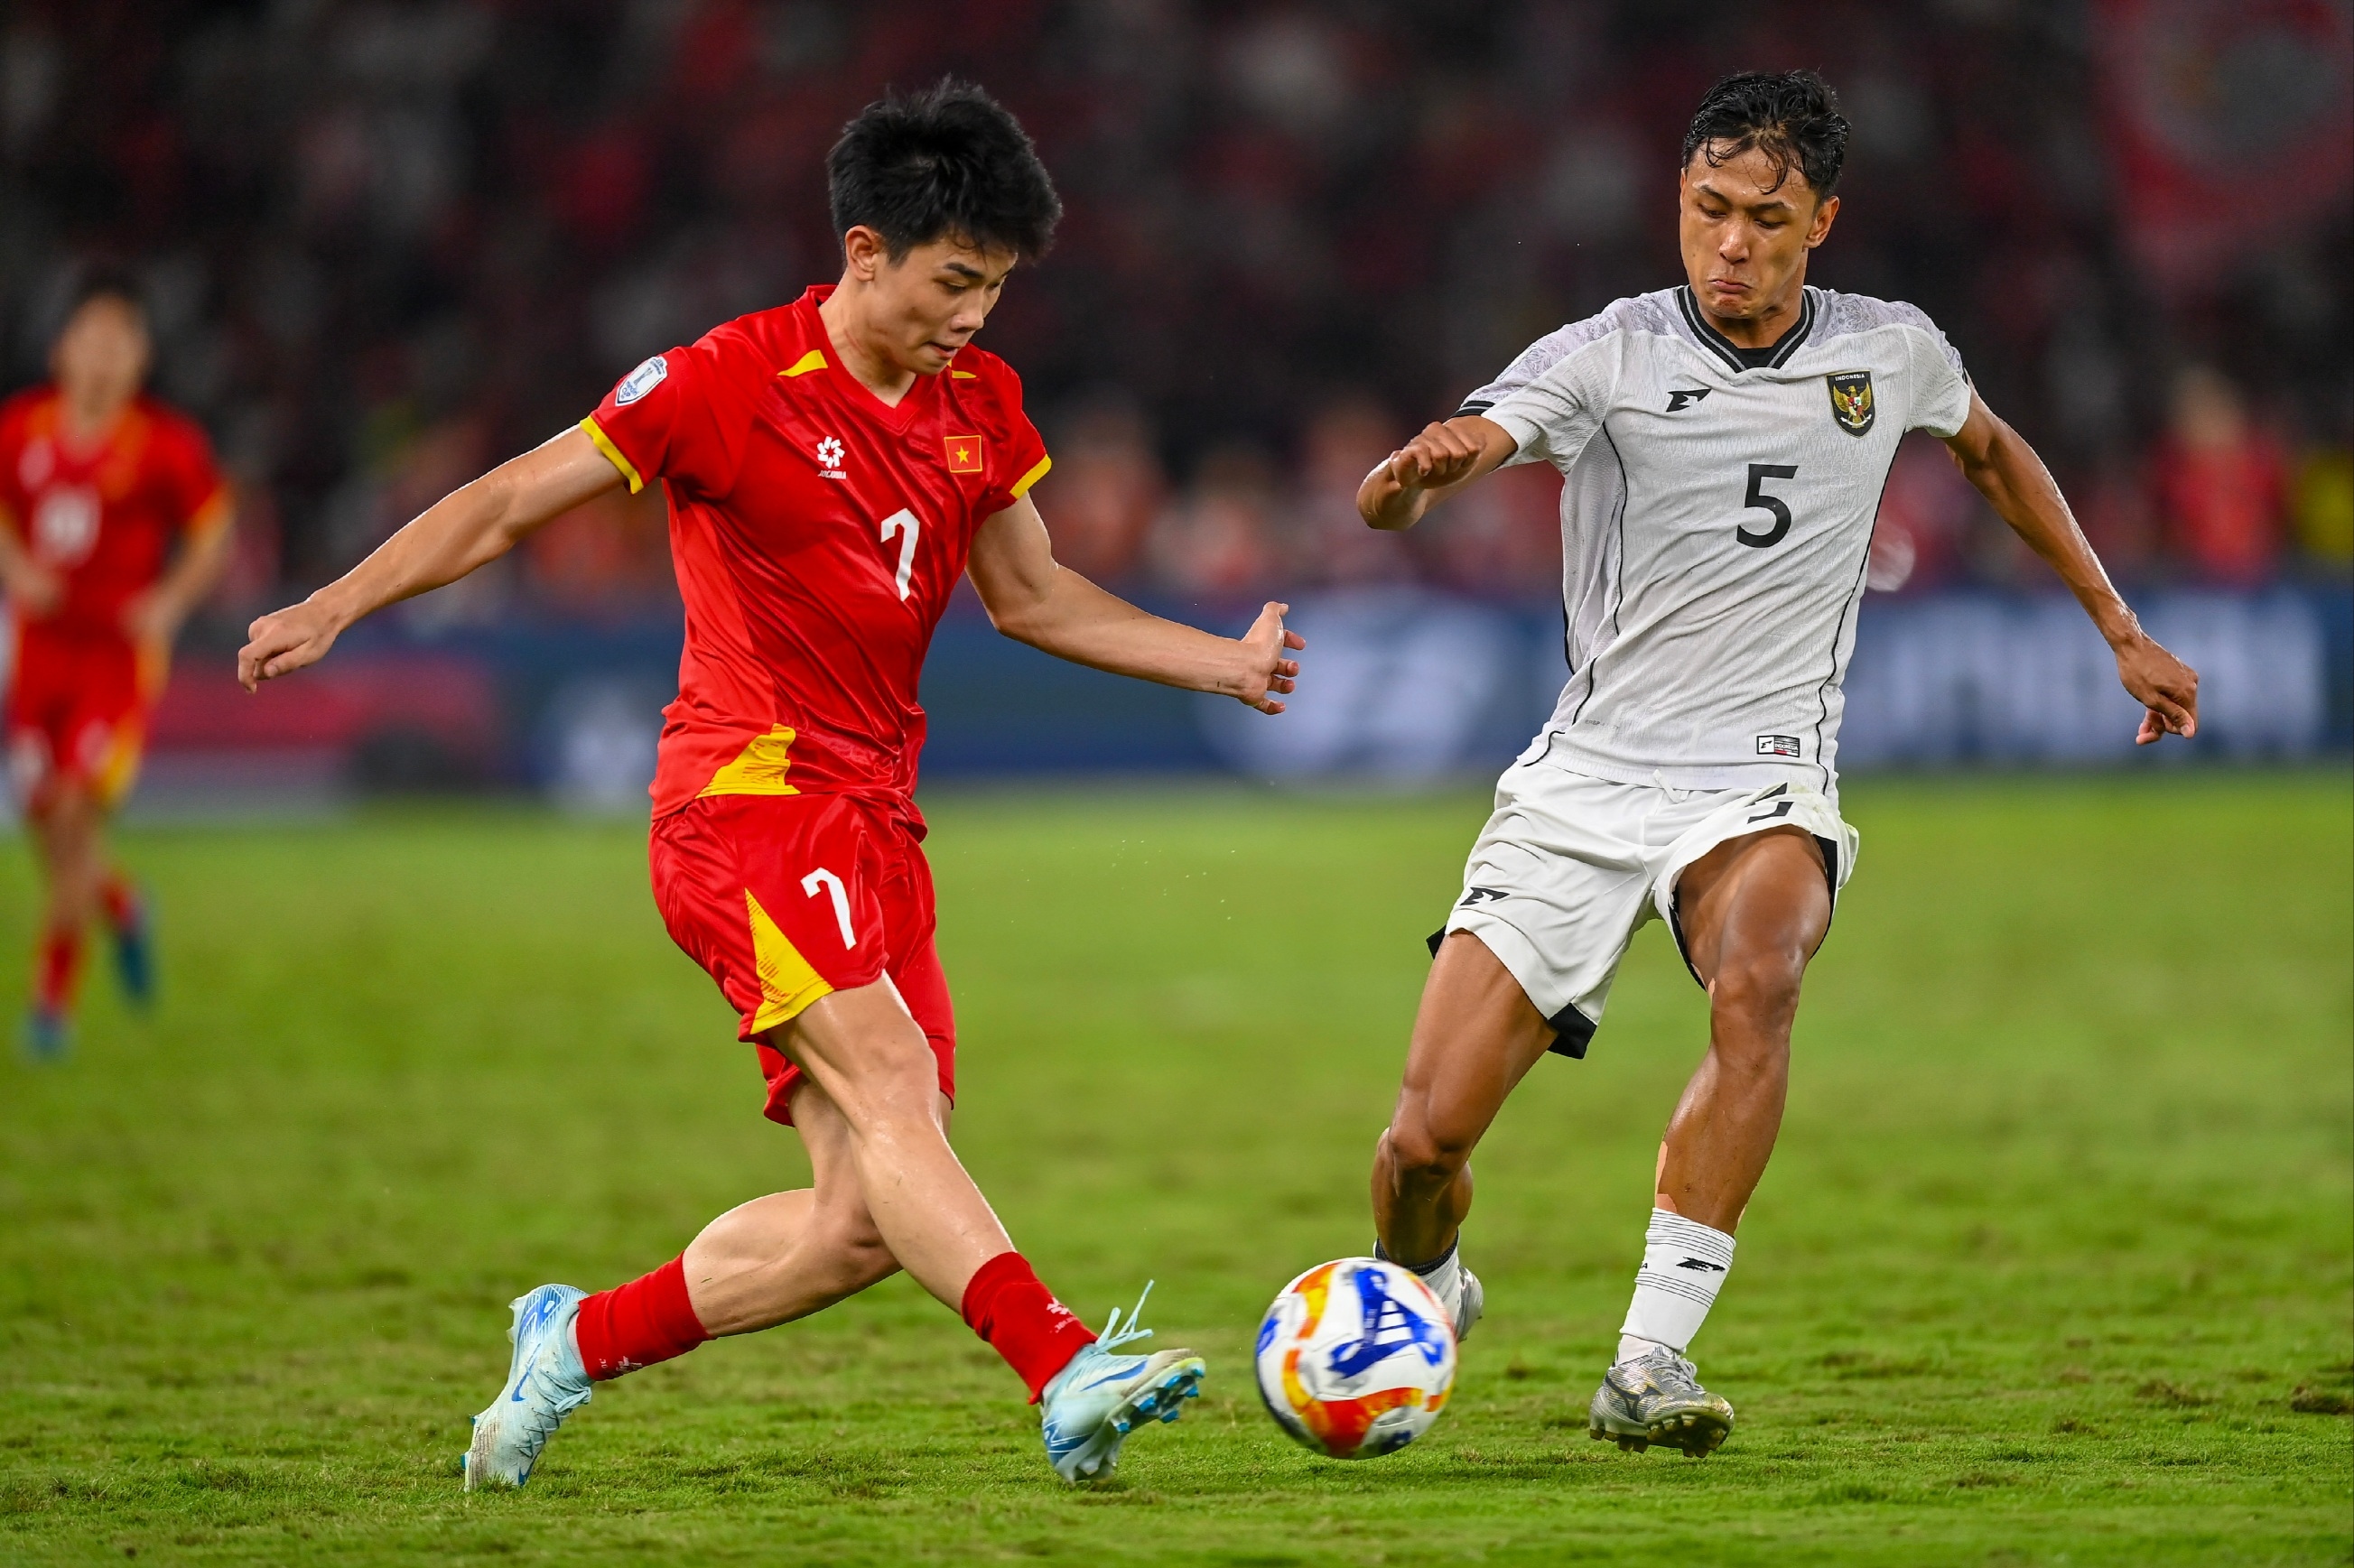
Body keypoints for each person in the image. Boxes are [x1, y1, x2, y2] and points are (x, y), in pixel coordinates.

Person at [237, 81, 1305, 1489]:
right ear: (866, 251)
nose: (972, 315)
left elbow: (1035, 597)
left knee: (861, 1216)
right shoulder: (721, 383)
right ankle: (1063, 1366)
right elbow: (506, 499)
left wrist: (1217, 665)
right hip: (741, 798)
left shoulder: (978, 405)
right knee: (893, 1082)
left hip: (873, 817)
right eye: (952, 280)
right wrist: (336, 603)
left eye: (991, 287)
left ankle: (571, 1337)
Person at [1354, 71, 2200, 1458]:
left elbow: (1990, 454)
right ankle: (1433, 1284)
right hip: (1584, 781)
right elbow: (1448, 464)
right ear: (1674, 206)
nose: (1728, 245)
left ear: (1821, 223)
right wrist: (1412, 478)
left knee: (1761, 972)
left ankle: (1648, 1356)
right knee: (1419, 1148)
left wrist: (2117, 623)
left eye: (1762, 218)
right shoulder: (1605, 352)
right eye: (1703, 212)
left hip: (1759, 777)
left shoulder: (1888, 352)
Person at [0, 271, 235, 1060]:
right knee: (48, 831)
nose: (102, 358)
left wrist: (167, 603)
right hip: (36, 656)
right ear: (62, 348)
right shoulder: (21, 428)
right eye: (91, 340)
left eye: (119, 344)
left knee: (72, 809)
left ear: (140, 358)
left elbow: (213, 527)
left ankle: (49, 1005)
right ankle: (124, 904)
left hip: (115, 661)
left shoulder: (162, 445)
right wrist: (16, 569)